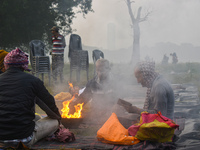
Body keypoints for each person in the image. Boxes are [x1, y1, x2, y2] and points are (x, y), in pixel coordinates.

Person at [0, 48, 61, 147]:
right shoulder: (33, 81)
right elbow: (49, 105)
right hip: (23, 139)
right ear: (24, 65)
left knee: (37, 117)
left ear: (6, 64)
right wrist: (58, 118)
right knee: (54, 121)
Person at [69, 59, 119, 124]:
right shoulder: (92, 83)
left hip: (111, 112)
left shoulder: (115, 82)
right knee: (85, 117)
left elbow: (121, 97)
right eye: (98, 70)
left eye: (103, 70)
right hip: (96, 113)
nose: (100, 73)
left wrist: (116, 106)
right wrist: (73, 103)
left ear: (108, 69)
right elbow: (84, 98)